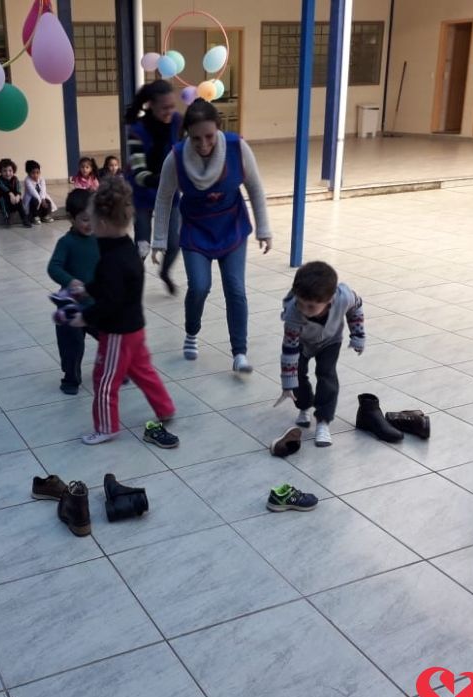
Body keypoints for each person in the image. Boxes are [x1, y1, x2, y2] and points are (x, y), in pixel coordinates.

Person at [152, 99, 272, 374]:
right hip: (196, 230)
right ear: (187, 135)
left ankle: (239, 353)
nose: (203, 144)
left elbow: (255, 188)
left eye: (209, 136)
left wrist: (263, 229)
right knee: (199, 286)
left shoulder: (238, 148)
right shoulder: (176, 158)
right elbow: (164, 198)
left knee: (235, 289)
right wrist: (159, 239)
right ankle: (191, 331)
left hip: (232, 227)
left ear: (218, 129)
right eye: (196, 138)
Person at [69, 178, 177, 447]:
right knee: (143, 370)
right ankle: (165, 408)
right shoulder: (123, 247)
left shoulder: (112, 259)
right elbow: (110, 286)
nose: (90, 224)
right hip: (134, 328)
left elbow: (111, 301)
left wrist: (85, 317)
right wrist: (87, 288)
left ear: (104, 224)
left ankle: (106, 427)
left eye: (93, 219)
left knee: (105, 380)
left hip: (118, 332)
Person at [274, 261, 365, 448]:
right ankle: (304, 407)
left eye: (311, 307)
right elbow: (289, 351)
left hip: (330, 341)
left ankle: (323, 421)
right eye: (300, 303)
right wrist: (288, 384)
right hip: (302, 343)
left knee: (327, 374)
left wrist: (358, 335)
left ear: (330, 299)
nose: (304, 310)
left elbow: (357, 307)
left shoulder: (344, 297)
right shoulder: (293, 313)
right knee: (298, 374)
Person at [126, 79, 182, 293]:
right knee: (142, 246)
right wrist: (165, 180)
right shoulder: (137, 131)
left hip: (170, 193)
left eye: (172, 106)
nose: (170, 111)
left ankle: (165, 272)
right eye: (164, 107)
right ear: (151, 105)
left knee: (174, 243)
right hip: (143, 193)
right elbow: (139, 173)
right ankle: (133, 283)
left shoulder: (177, 122)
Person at [47, 189, 100, 395]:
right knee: (71, 346)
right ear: (71, 218)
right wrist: (70, 280)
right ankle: (71, 378)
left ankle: (117, 368)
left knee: (113, 339)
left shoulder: (101, 239)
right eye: (85, 219)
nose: (90, 224)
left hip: (98, 304)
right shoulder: (66, 242)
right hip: (72, 306)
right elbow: (54, 267)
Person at [0, 158, 30, 228]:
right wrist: (11, 194)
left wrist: (18, 196)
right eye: (4, 171)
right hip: (3, 201)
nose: (7, 173)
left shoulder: (15, 179)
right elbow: (5, 189)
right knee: (2, 200)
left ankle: (24, 219)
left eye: (10, 170)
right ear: (0, 172)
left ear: (13, 171)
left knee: (19, 201)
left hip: (13, 201)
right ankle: (7, 217)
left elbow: (18, 188)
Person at [24, 160, 57, 224]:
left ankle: (45, 216)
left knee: (47, 201)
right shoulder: (27, 180)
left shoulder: (41, 179)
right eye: (33, 173)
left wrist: (43, 199)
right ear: (28, 173)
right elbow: (33, 191)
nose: (36, 175)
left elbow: (43, 189)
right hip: (32, 197)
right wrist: (40, 200)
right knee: (35, 201)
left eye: (37, 172)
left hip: (41, 197)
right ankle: (35, 217)